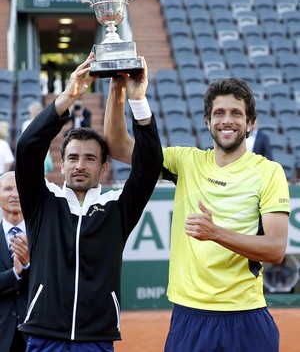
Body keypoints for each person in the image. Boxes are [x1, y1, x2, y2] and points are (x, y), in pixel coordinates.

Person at [103, 77, 290, 352]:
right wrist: (118, 87)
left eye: (236, 113)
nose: (227, 120)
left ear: (250, 122)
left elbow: (275, 249)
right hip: (190, 317)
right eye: (219, 113)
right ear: (207, 121)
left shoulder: (269, 171)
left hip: (246, 315)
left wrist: (215, 233)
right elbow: (118, 146)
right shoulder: (185, 161)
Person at [15, 53, 163, 352]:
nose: (80, 165)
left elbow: (149, 164)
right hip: (44, 334)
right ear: (62, 164)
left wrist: (138, 100)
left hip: (96, 336)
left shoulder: (118, 206)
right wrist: (68, 97)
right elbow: (28, 147)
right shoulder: (42, 201)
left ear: (103, 167)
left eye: (90, 158)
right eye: (73, 158)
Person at [0, 171, 30, 352]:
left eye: (19, 189)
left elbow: (53, 281)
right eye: (8, 189)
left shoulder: (44, 234)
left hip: (36, 333)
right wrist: (15, 274)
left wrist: (28, 266)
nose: (15, 194)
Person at [21, 101, 53, 175]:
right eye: (34, 110)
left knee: (44, 173)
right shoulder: (26, 123)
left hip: (43, 152)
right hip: (30, 152)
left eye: (38, 110)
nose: (36, 112)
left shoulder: (46, 122)